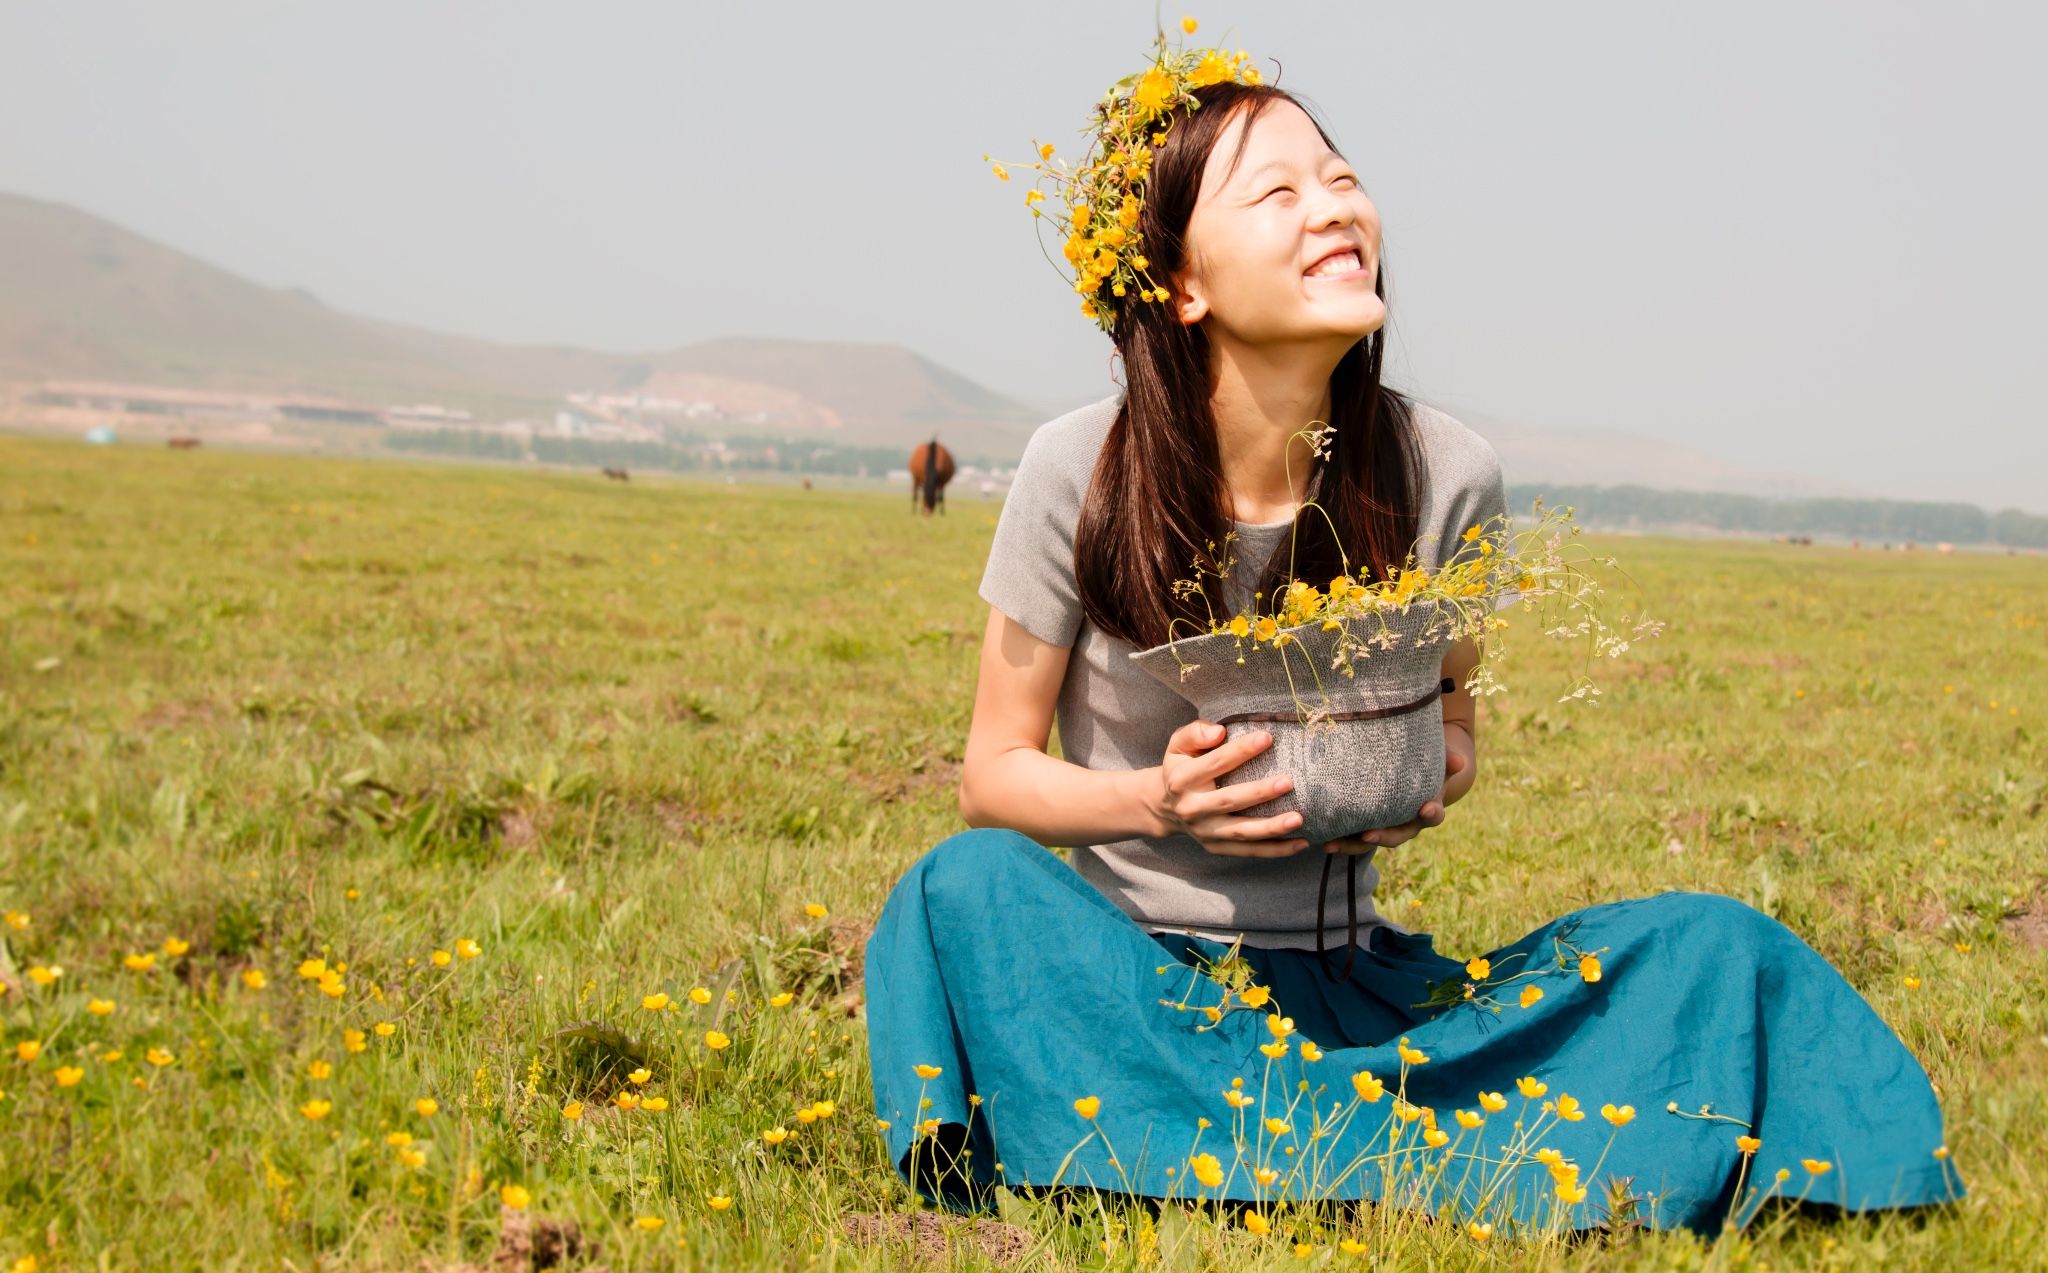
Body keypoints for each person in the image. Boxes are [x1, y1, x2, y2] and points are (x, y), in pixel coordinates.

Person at [863, 28, 1960, 1238]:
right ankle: (1376, 1147)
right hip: (1135, 982)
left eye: (1338, 178)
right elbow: (989, 775)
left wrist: (1436, 765)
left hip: (1363, 992)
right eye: (1275, 192)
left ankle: (1217, 1144)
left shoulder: (1446, 473)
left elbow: (1451, 718)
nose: (1332, 209)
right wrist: (1154, 808)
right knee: (958, 890)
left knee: (1712, 947)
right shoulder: (1078, 467)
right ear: (1178, 281)